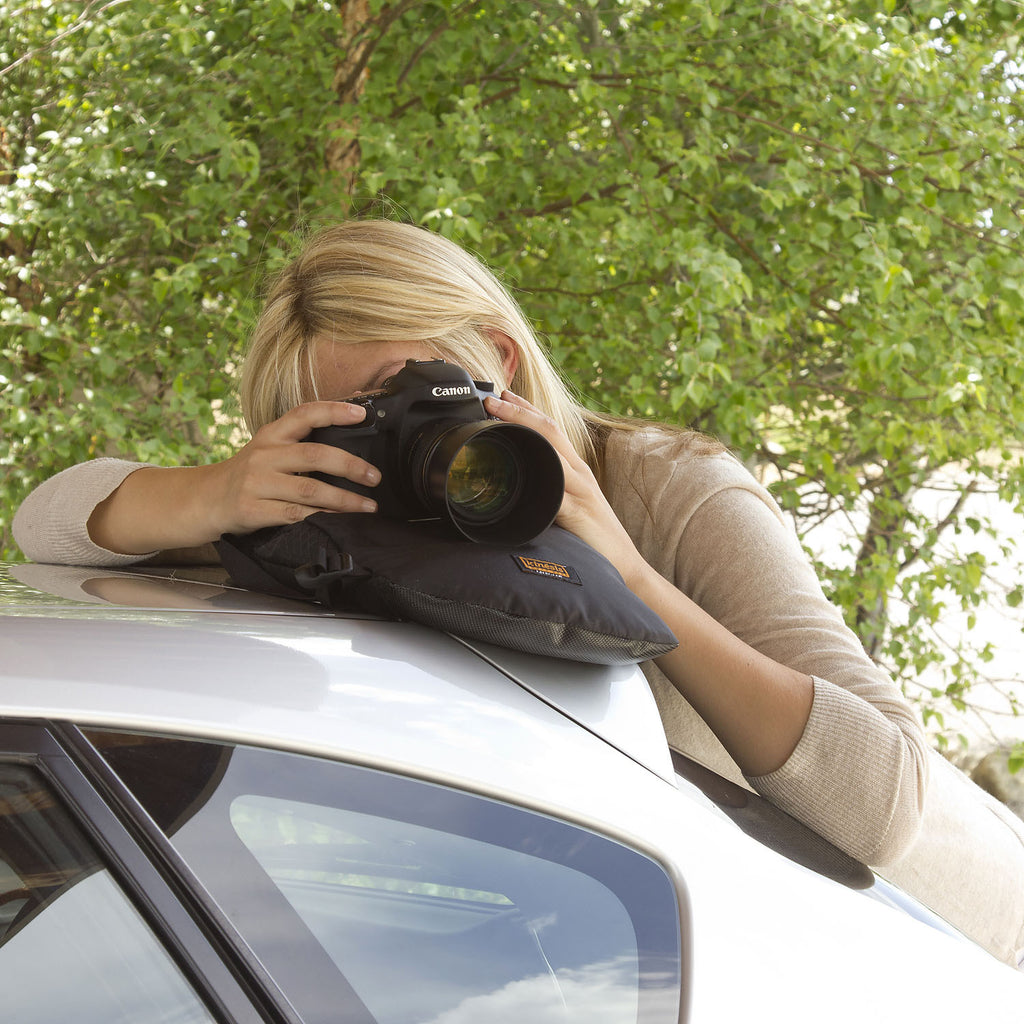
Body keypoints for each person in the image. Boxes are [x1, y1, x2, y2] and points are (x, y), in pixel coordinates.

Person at [13, 219, 1024, 966]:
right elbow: (46, 526)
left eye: (414, 399)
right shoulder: (333, 525)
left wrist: (627, 578)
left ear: (497, 360)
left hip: (891, 943)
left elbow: (886, 796)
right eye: (353, 421)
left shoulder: (663, 488)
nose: (403, 450)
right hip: (602, 934)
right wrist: (214, 496)